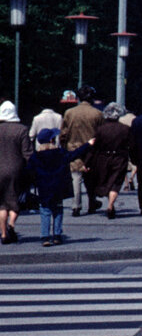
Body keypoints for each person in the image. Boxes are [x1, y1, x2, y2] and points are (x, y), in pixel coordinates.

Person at [27, 128, 94, 246]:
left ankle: (45, 237)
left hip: (44, 188)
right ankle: (57, 235)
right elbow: (74, 155)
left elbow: (29, 171)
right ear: (52, 140)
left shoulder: (36, 156)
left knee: (45, 211)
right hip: (58, 187)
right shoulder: (59, 153)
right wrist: (88, 144)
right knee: (58, 210)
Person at [61, 85, 103, 215]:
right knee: (91, 177)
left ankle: (76, 205)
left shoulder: (69, 113)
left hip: (73, 147)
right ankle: (92, 203)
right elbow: (101, 133)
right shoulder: (98, 114)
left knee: (76, 177)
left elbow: (64, 133)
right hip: (92, 149)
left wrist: (64, 146)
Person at [90, 103, 132, 219]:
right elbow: (131, 144)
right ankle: (110, 205)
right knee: (116, 182)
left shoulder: (100, 129)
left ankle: (110, 205)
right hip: (120, 158)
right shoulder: (125, 129)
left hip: (103, 158)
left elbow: (95, 146)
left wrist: (90, 161)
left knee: (107, 180)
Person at [0, 100, 33, 245]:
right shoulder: (22, 130)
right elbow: (27, 153)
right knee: (14, 200)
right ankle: (12, 224)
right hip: (16, 170)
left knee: (2, 203)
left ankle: (3, 234)